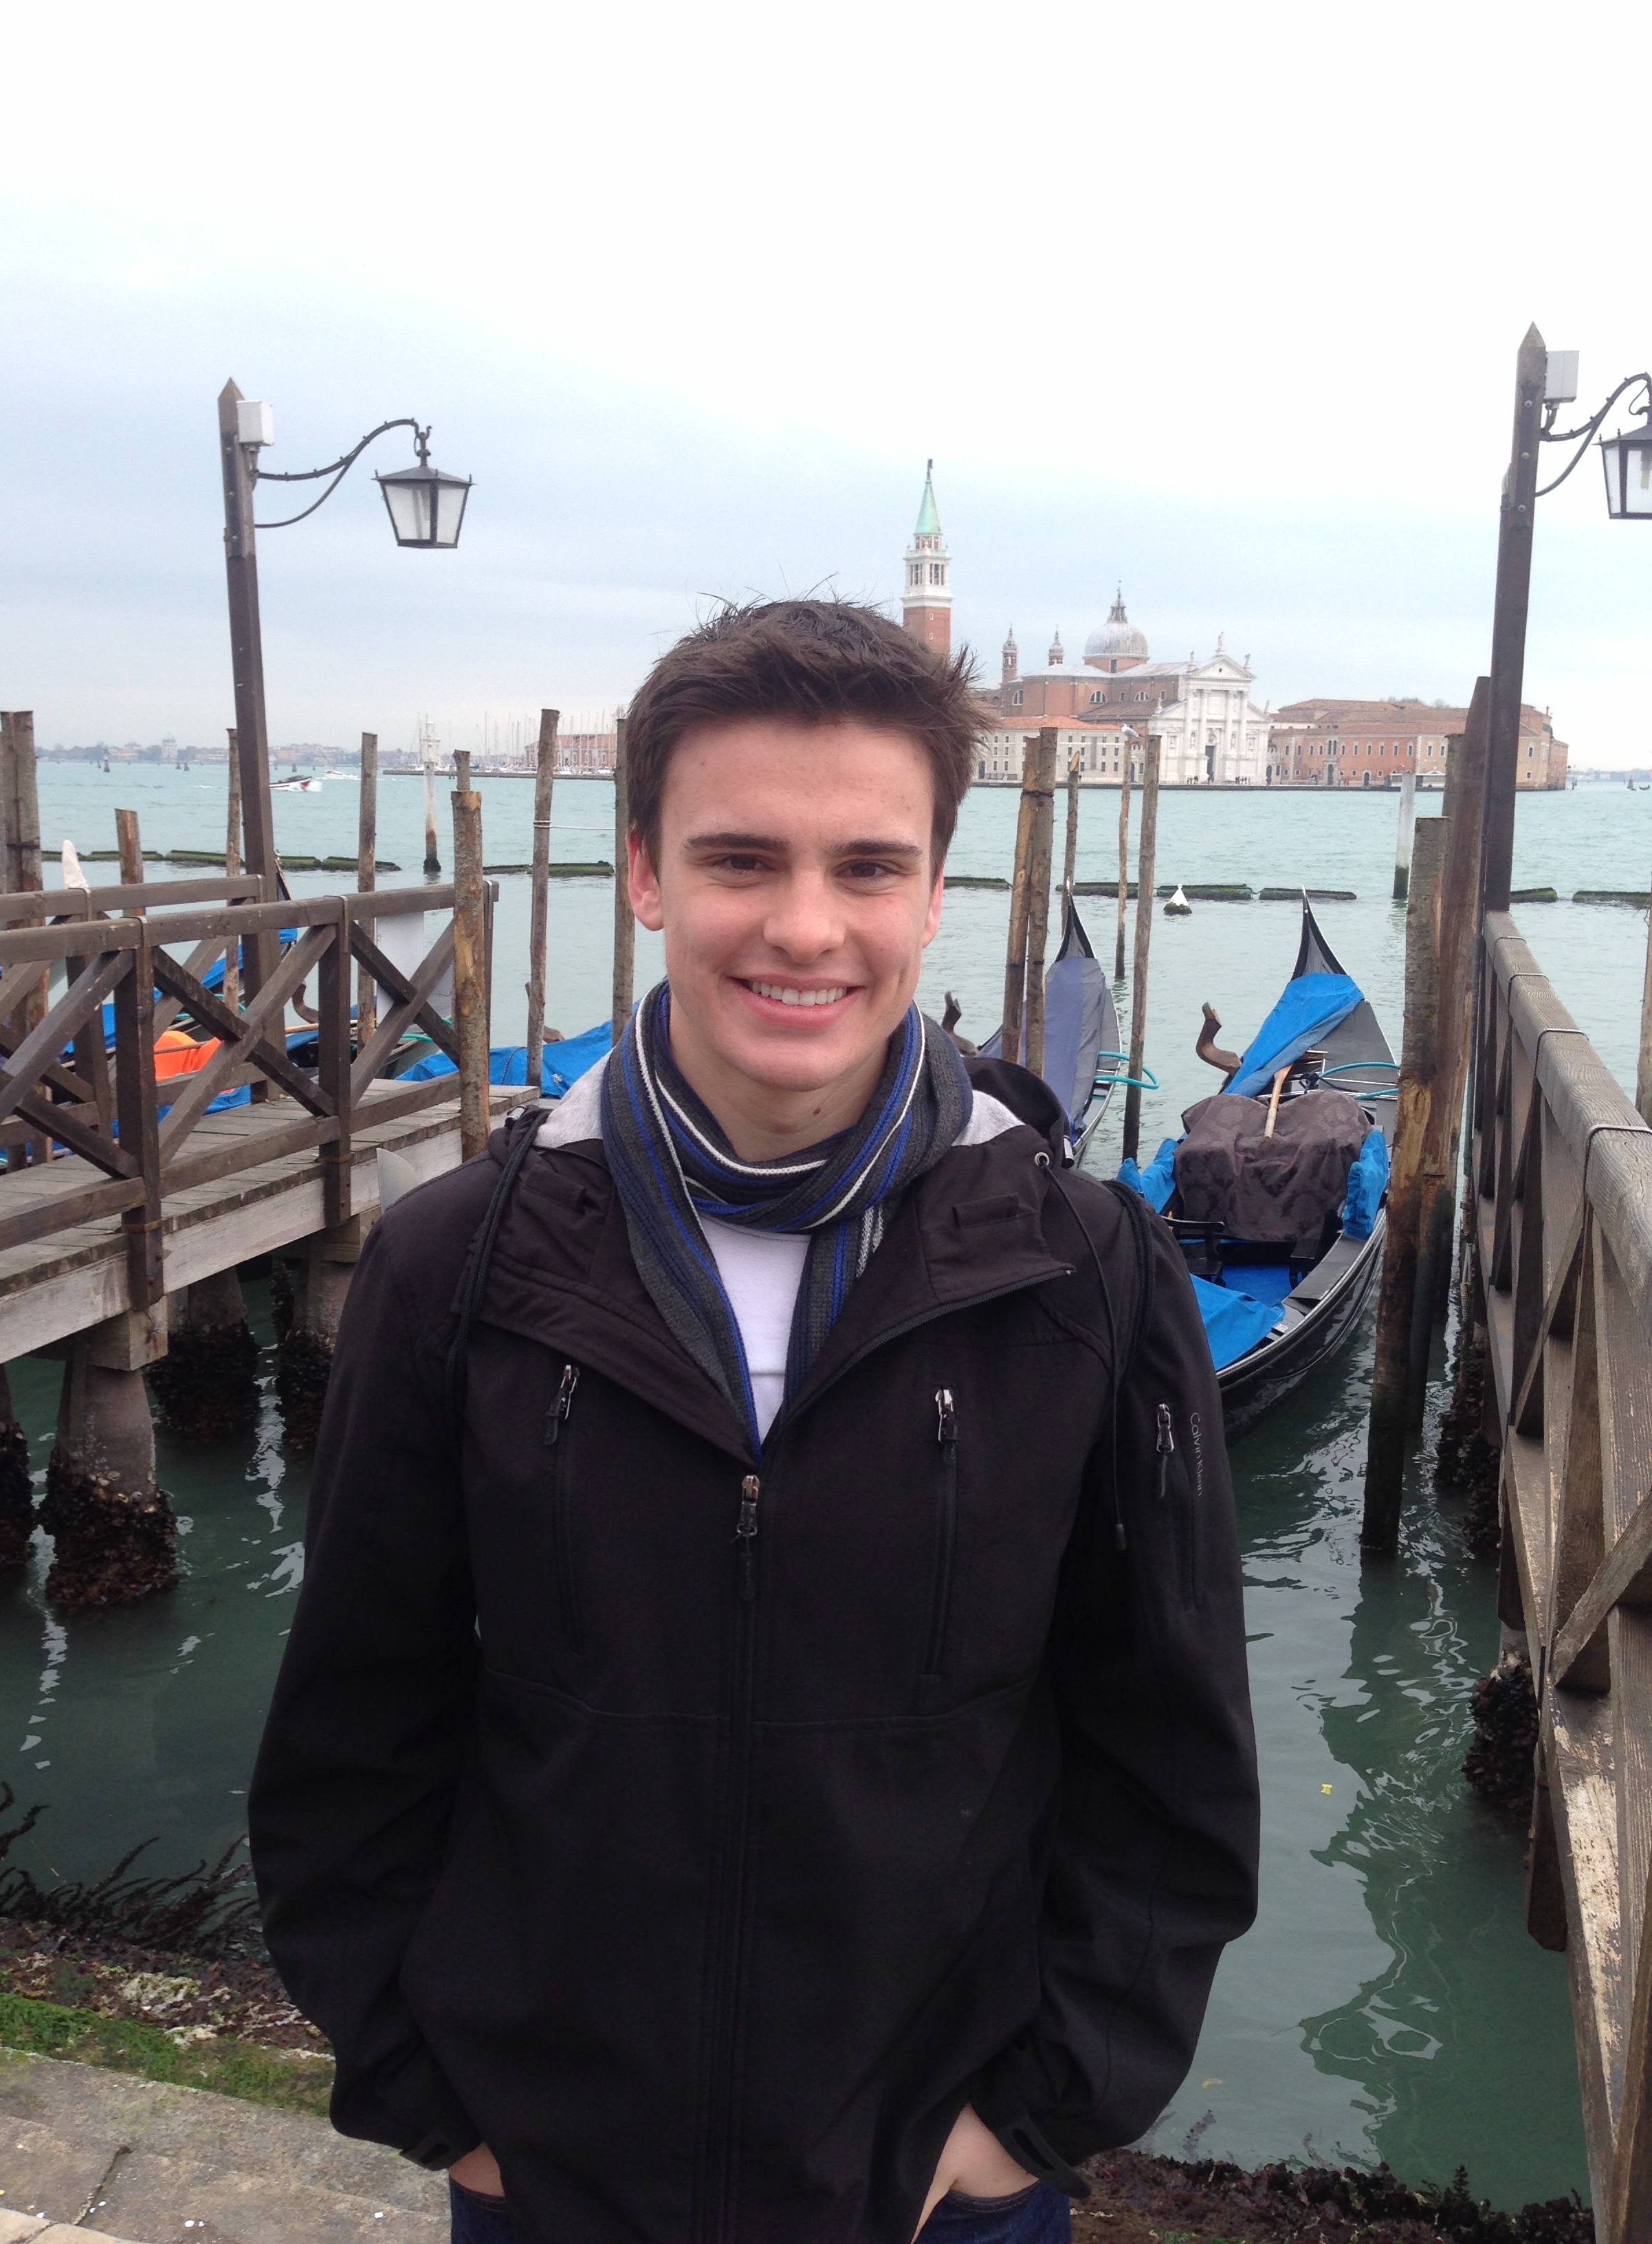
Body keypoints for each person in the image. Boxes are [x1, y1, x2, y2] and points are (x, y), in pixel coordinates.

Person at [249, 600, 1259, 2244]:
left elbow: (1172, 1758)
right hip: (556, 2176)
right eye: (739, 862)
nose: (806, 928)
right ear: (644, 873)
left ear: (937, 890)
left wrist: (1036, 2113)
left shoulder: (1088, 1275)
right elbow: (354, 1735)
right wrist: (439, 2096)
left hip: (945, 2188)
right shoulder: (459, 1268)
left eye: (866, 868)